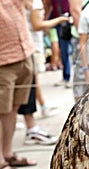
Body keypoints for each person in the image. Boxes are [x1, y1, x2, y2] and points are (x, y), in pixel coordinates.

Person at [17, 0, 70, 146]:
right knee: (30, 85)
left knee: (32, 83)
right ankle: (33, 125)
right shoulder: (32, 3)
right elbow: (37, 25)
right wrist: (59, 19)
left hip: (27, 48)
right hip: (29, 48)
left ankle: (39, 111)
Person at [0, 0, 37, 168]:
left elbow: (30, 4)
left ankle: (7, 154)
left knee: (13, 110)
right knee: (1, 111)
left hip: (24, 54)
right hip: (3, 61)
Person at [44, 0, 73, 88]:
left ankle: (71, 78)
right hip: (59, 23)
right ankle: (66, 77)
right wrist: (45, 22)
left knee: (73, 51)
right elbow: (48, 6)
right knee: (64, 51)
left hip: (71, 21)